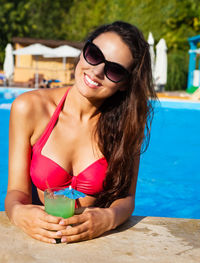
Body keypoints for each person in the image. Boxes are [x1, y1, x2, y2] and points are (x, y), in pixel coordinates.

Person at [5, 21, 156, 244]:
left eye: (114, 70)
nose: (96, 71)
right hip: (41, 243)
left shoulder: (128, 125)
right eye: (94, 54)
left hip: (97, 244)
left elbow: (126, 199)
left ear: (125, 83)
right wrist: (18, 213)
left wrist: (108, 218)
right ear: (83, 51)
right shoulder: (29, 108)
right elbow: (16, 191)